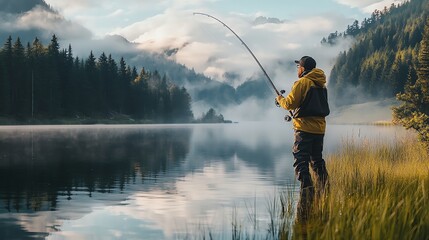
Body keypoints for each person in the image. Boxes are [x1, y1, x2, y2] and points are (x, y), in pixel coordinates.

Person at [275, 56, 329, 201]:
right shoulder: (321, 85)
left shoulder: (302, 82)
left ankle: (307, 191)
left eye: (298, 66)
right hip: (319, 129)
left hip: (304, 129)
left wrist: (280, 99)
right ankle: (324, 189)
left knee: (300, 161)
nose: (297, 69)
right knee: (317, 161)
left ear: (303, 68)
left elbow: (289, 104)